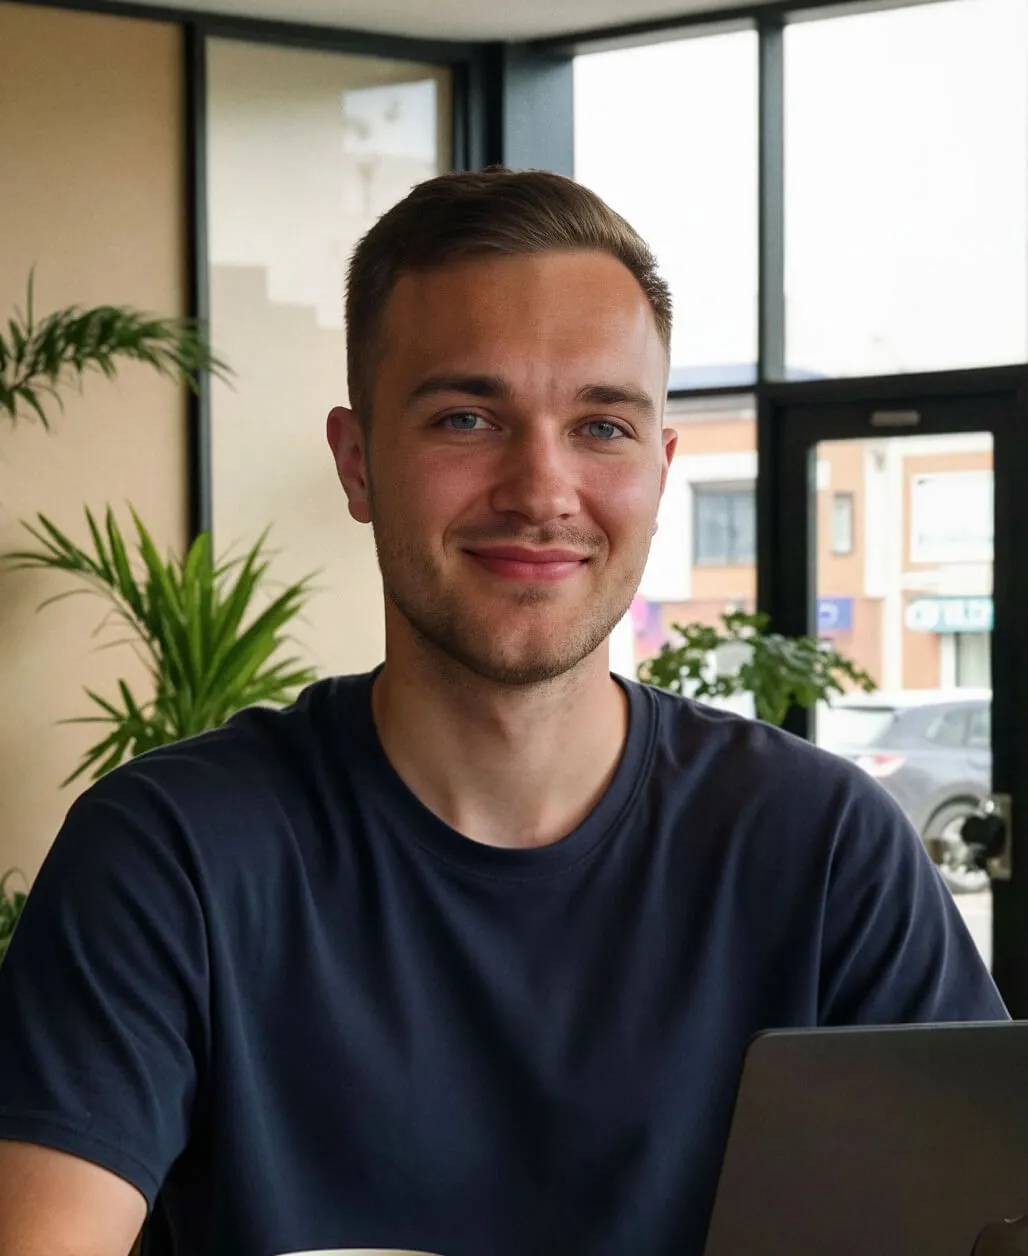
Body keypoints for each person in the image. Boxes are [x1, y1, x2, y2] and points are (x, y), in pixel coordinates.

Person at [0, 168, 1007, 1256]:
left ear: (661, 469)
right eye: (467, 417)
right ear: (356, 462)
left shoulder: (820, 848)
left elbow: (975, 1216)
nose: (540, 486)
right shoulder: (173, 852)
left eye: (601, 426)